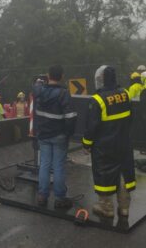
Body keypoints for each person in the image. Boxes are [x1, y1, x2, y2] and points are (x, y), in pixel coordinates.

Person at [82, 65, 135, 218]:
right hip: (124, 143)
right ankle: (124, 207)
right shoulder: (125, 94)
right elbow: (131, 117)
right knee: (123, 172)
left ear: (102, 80)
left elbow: (91, 127)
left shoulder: (97, 100)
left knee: (104, 174)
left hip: (104, 147)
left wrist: (86, 144)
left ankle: (106, 208)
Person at [33, 65, 77, 208]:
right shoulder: (63, 93)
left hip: (43, 134)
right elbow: (70, 116)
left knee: (44, 164)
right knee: (58, 166)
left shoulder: (39, 91)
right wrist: (68, 133)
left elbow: (34, 88)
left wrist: (39, 82)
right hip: (59, 135)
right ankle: (59, 198)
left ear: (48, 75)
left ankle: (42, 196)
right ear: (62, 76)